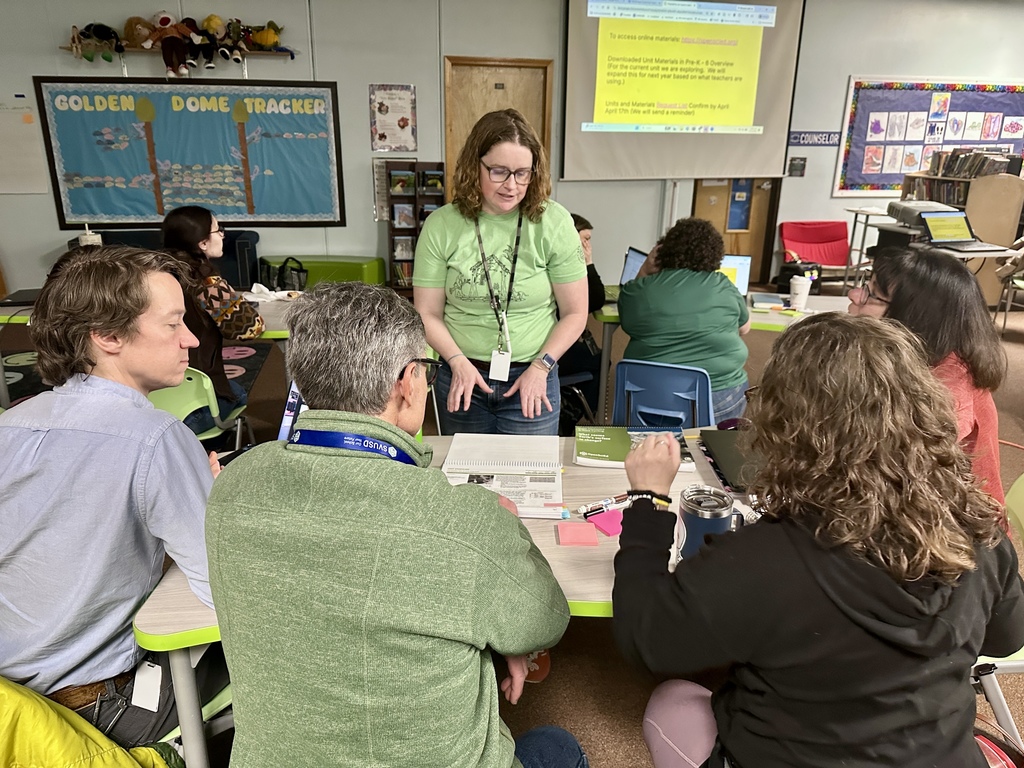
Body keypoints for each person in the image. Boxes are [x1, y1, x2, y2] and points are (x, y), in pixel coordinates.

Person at [613, 313, 1024, 768]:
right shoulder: (979, 534)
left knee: (671, 701)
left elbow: (646, 639)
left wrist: (647, 502)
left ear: (786, 427)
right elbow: (1006, 638)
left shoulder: (763, 560)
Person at [205, 281, 587, 768]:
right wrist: (502, 532)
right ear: (408, 381)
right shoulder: (465, 521)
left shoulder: (234, 484)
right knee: (558, 747)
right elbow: (545, 621)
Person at [0, 245, 223, 748]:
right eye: (172, 325)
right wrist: (213, 507)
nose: (190, 339)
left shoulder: (10, 425)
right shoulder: (157, 437)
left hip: (12, 710)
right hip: (100, 709)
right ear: (107, 336)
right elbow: (222, 586)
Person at [414, 108, 588, 435]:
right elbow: (427, 312)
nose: (512, 185)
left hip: (533, 377)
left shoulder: (554, 222)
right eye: (499, 171)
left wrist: (541, 366)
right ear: (473, 166)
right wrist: (456, 361)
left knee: (529, 478)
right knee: (464, 479)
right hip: (463, 376)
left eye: (523, 173)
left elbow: (576, 313)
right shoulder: (442, 226)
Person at [848, 247, 1006, 504]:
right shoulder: (918, 358)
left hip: (951, 528)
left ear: (915, 318)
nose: (854, 295)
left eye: (872, 295)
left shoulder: (948, 389)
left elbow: (893, 474)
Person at [617, 217, 750, 423]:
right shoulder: (723, 285)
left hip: (650, 398)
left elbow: (628, 324)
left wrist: (644, 270)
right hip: (719, 398)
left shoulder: (637, 291)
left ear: (662, 252)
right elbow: (744, 329)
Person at [161, 205, 264, 436]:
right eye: (219, 230)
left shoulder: (149, 275)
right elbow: (250, 328)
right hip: (194, 408)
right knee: (237, 393)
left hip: (148, 399)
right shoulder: (208, 283)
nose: (223, 235)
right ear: (202, 243)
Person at [557, 213, 606, 435]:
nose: (588, 245)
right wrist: (588, 262)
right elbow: (595, 300)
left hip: (556, 341)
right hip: (555, 346)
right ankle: (574, 411)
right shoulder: (564, 265)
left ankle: (570, 402)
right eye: (584, 239)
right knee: (602, 361)